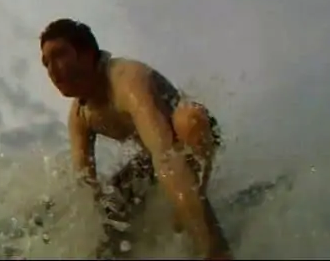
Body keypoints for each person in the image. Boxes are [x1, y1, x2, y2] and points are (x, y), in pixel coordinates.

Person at [39, 18, 232, 260]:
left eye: (59, 55)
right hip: (150, 160)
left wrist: (210, 248)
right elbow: (85, 188)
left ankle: (211, 242)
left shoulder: (127, 80)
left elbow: (166, 155)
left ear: (87, 53)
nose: (52, 70)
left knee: (189, 120)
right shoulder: (79, 116)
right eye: (46, 63)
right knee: (109, 205)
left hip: (185, 140)